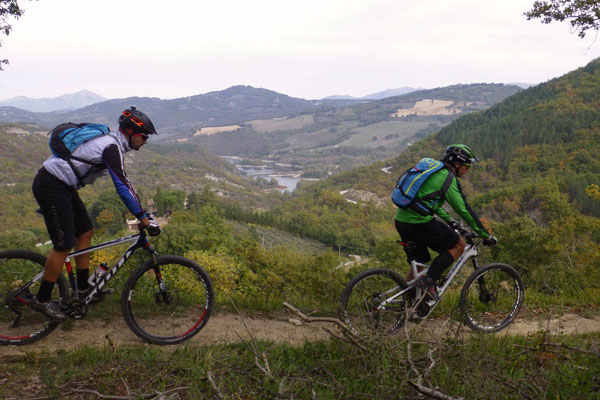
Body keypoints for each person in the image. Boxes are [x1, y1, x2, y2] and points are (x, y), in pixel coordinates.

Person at [30, 107, 161, 321]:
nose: (145, 141)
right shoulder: (111, 147)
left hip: (63, 186)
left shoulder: (113, 144)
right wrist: (143, 217)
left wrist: (141, 213)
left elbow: (124, 184)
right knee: (64, 244)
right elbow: (123, 186)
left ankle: (82, 289)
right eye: (144, 136)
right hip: (51, 185)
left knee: (86, 232)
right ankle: (42, 299)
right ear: (131, 133)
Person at [394, 144, 497, 299]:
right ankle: (429, 281)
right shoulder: (447, 178)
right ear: (457, 164)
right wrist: (485, 235)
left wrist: (450, 221)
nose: (468, 169)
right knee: (459, 245)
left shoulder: (433, 172)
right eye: (467, 165)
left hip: (402, 221)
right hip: (418, 223)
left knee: (420, 263)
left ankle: (406, 304)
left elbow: (430, 204)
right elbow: (464, 210)